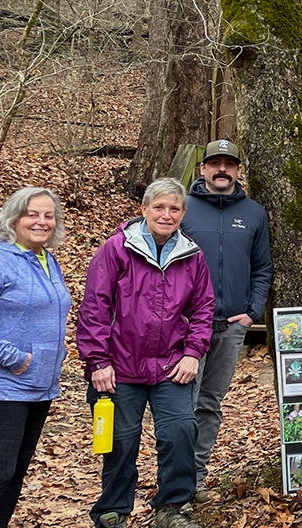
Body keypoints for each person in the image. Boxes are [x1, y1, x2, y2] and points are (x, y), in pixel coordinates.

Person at [77, 178, 214, 528]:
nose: (166, 215)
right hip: (120, 367)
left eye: (174, 209)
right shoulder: (117, 249)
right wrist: (98, 361)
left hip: (172, 365)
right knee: (119, 441)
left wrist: (193, 352)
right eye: (159, 207)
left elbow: (202, 310)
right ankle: (112, 510)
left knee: (181, 432)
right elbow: (94, 307)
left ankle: (171, 507)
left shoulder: (192, 256)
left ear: (183, 213)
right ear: (144, 209)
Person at [0, 187, 71, 528]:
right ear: (14, 217)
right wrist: (14, 358)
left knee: (16, 473)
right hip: (2, 383)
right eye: (32, 214)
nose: (41, 221)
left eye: (48, 215)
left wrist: (54, 356)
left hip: (40, 385)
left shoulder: (47, 259)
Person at [180, 140, 273, 502]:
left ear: (238, 170)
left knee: (210, 403)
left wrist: (252, 311)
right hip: (188, 327)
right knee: (182, 404)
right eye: (214, 163)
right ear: (202, 169)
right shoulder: (183, 208)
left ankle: (197, 477)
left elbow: (262, 266)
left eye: (228, 164)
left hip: (231, 326)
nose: (222, 169)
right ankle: (176, 476)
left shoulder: (254, 213)